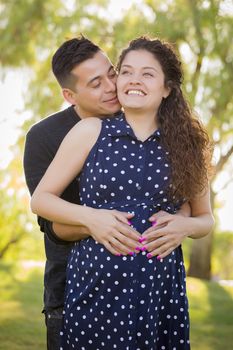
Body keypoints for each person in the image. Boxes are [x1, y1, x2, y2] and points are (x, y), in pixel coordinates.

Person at [30, 36, 214, 349]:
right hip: (95, 285)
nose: (132, 80)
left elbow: (205, 218)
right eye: (127, 71)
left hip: (159, 290)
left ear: (167, 87)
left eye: (147, 74)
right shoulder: (89, 131)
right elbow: (41, 200)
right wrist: (91, 219)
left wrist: (186, 225)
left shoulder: (188, 144)